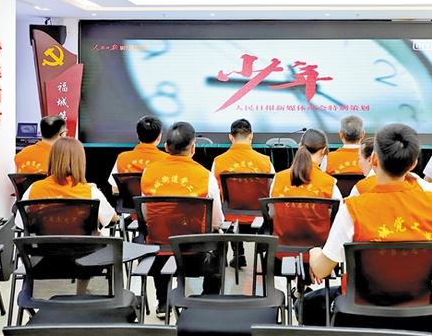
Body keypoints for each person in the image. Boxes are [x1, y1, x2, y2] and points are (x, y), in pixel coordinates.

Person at [304, 124, 432, 334]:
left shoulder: (354, 207)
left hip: (359, 314)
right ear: (414, 164)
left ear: (373, 159)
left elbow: (322, 270)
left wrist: (314, 252)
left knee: (309, 304)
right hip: (418, 315)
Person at [139, 121, 224, 318]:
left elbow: (146, 214)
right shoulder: (205, 176)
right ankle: (207, 300)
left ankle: (163, 301)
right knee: (220, 241)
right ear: (193, 148)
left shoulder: (149, 172)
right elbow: (217, 221)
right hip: (195, 255)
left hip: (158, 252)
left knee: (157, 235)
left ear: (166, 147)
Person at [20, 137, 118, 294]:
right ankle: (81, 293)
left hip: (45, 258)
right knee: (99, 242)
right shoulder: (89, 192)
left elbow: (20, 223)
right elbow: (112, 219)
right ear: (80, 161)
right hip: (86, 259)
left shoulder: (33, 189)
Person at [211, 118, 274, 268]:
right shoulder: (265, 162)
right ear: (251, 136)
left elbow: (214, 194)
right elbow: (272, 192)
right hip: (259, 219)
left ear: (230, 137)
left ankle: (237, 253)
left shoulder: (219, 161)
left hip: (230, 218)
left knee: (225, 205)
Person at [349, 135, 432, 197]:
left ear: (372, 159)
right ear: (413, 164)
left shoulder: (360, 189)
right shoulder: (429, 190)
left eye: (359, 158)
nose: (358, 162)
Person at [270, 129, 342, 200]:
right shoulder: (329, 184)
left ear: (300, 146)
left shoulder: (277, 180)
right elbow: (339, 207)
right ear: (324, 150)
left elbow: (271, 207)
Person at [107, 115, 170, 192]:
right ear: (159, 137)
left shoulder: (122, 158)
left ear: (138, 135)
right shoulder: (168, 160)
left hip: (128, 200)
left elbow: (115, 190)